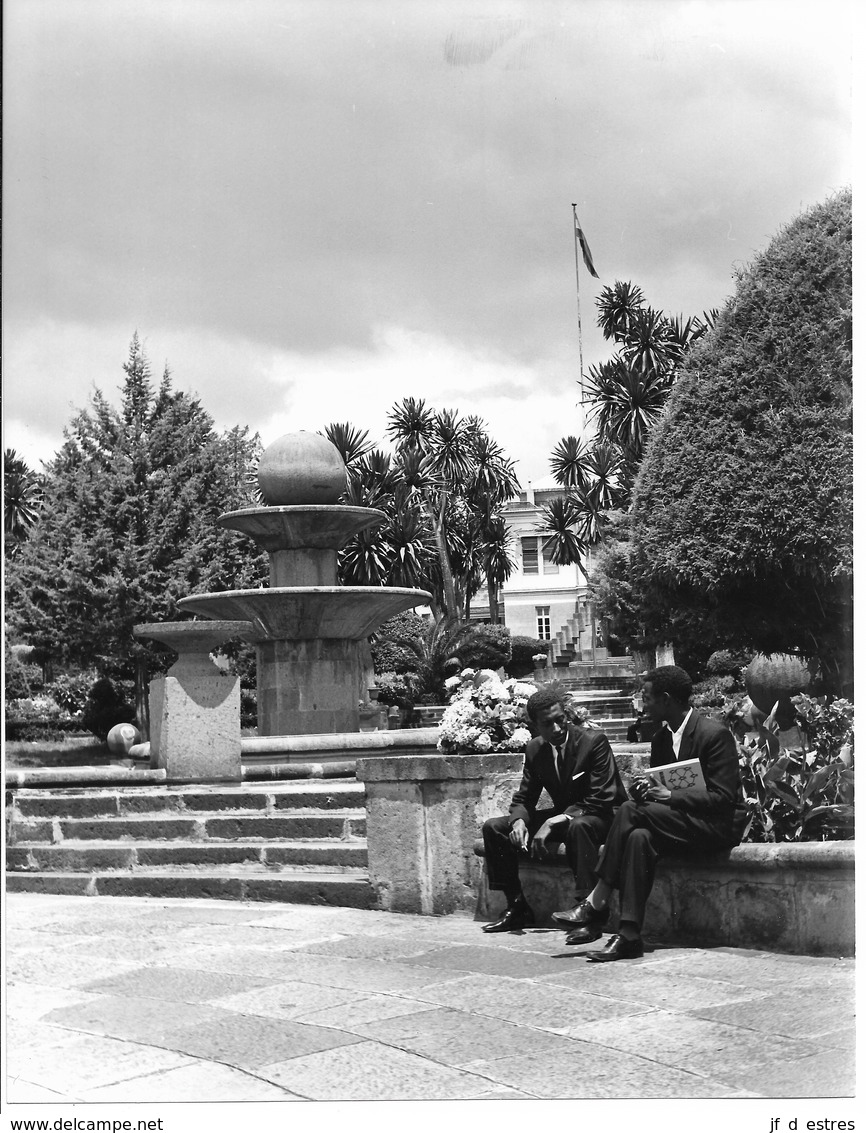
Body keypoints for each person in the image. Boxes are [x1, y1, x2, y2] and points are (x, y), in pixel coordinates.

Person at [566, 665, 747, 960]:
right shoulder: (660, 739)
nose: (643, 703)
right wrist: (647, 792)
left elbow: (725, 797)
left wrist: (670, 795)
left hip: (715, 827)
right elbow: (659, 790)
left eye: (647, 697)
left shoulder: (714, 735)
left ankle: (597, 897)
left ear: (666, 699)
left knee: (628, 810)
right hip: (681, 824)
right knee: (638, 836)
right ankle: (629, 936)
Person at [480, 686, 626, 934]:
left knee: (580, 826)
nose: (557, 729)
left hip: (601, 817)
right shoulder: (535, 749)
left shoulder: (593, 742)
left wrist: (555, 820)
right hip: (566, 819)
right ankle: (517, 908)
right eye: (548, 724)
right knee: (494, 828)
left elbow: (602, 796)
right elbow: (526, 796)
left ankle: (590, 913)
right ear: (536, 726)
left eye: (561, 720)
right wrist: (519, 822)